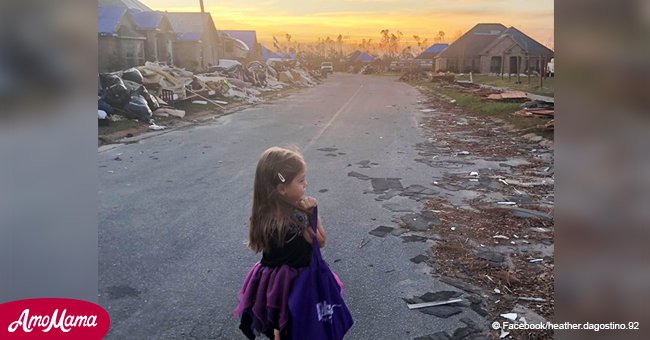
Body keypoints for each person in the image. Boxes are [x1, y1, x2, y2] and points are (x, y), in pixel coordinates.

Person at [235, 147, 326, 340]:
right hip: (297, 282)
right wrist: (313, 213)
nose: (306, 184)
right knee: (298, 322)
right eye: (301, 181)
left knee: (280, 320)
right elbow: (320, 241)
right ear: (281, 188)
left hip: (272, 282)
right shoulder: (298, 218)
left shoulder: (263, 214)